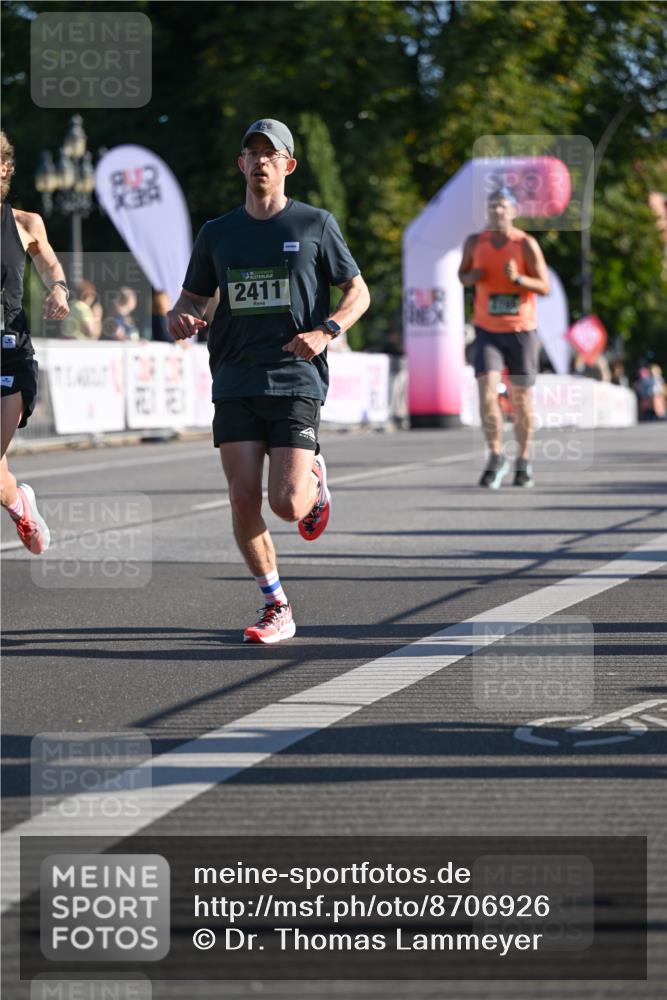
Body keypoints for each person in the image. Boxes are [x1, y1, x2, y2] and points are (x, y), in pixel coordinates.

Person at [167, 118, 370, 643]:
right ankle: (276, 604)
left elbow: (358, 293)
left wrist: (328, 330)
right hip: (234, 374)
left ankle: (313, 484)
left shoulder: (315, 225)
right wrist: (180, 315)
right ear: (241, 164)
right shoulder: (218, 232)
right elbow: (192, 297)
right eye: (251, 152)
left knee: (287, 505)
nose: (260, 161)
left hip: (295, 375)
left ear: (288, 165)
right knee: (241, 498)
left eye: (270, 154)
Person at [1, 130, 69, 553]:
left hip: (9, 355)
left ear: (4, 168)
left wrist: (58, 289)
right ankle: (20, 503)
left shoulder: (25, 222)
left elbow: (49, 264)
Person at [458, 186, 550, 488]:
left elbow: (544, 286)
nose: (497, 211)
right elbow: (462, 275)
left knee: (520, 399)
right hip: (487, 329)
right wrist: (472, 277)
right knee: (486, 390)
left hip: (521, 330)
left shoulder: (525, 244)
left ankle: (524, 460)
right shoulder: (475, 242)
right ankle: (496, 455)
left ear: (513, 211)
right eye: (493, 206)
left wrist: (518, 279)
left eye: (502, 206)